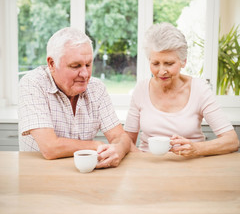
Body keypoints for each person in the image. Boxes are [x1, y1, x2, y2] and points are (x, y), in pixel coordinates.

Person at [18, 27, 131, 167]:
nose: (85, 74)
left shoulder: (97, 88)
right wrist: (97, 145)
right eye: (75, 66)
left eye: (88, 64)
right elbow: (50, 148)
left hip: (82, 174)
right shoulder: (33, 83)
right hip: (38, 174)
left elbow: (120, 137)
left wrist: (118, 150)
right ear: (52, 64)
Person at [124, 22, 239, 157]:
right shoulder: (141, 89)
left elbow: (232, 141)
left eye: (169, 63)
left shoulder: (199, 89)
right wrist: (142, 159)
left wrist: (197, 148)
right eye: (155, 63)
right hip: (150, 166)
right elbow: (127, 141)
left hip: (190, 166)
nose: (161, 71)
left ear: (183, 61)